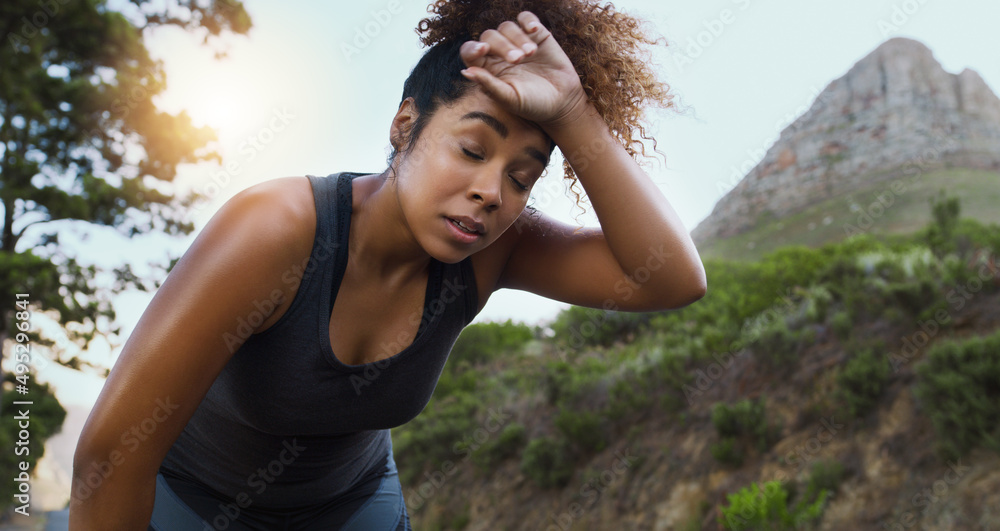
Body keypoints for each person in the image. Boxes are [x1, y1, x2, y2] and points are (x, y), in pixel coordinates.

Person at [70, 0, 707, 529]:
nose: (492, 190)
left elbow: (671, 279)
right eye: (470, 148)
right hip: (194, 506)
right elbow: (110, 459)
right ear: (405, 124)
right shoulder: (276, 230)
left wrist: (571, 112)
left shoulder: (495, 247)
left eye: (522, 176)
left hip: (353, 506)